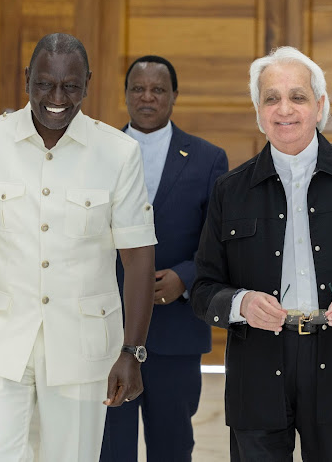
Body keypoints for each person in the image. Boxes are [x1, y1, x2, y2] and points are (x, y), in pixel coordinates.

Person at [0, 33, 157, 461]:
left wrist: (132, 349)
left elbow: (138, 254)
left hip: (83, 343)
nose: (57, 97)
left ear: (87, 83)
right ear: (26, 79)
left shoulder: (120, 153)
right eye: (44, 84)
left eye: (70, 86)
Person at [191, 46, 332, 461]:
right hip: (257, 369)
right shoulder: (229, 190)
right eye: (271, 98)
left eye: (297, 96)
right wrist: (240, 303)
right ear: (258, 111)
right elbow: (204, 288)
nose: (284, 109)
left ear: (319, 105)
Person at [100, 56, 228, 461]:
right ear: (125, 95)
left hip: (176, 331)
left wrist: (186, 278)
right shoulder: (96, 152)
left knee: (172, 446)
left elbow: (220, 241)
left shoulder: (209, 159)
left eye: (158, 89)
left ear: (174, 95)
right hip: (106, 331)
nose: (148, 97)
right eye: (138, 89)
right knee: (110, 447)